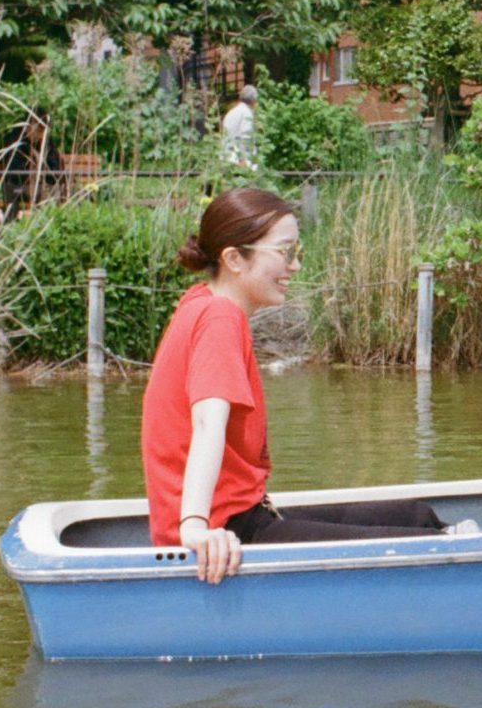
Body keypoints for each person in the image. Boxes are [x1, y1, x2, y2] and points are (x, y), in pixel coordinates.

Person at [142, 187, 450, 583]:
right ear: (234, 258)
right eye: (285, 252)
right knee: (427, 542)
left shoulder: (200, 302)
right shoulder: (219, 317)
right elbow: (207, 422)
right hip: (227, 536)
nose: (296, 266)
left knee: (416, 517)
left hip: (243, 518)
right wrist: (196, 527)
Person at [220, 85, 258, 166]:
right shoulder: (247, 113)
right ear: (253, 100)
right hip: (239, 161)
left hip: (227, 157)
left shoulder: (231, 112)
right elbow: (246, 137)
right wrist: (244, 159)